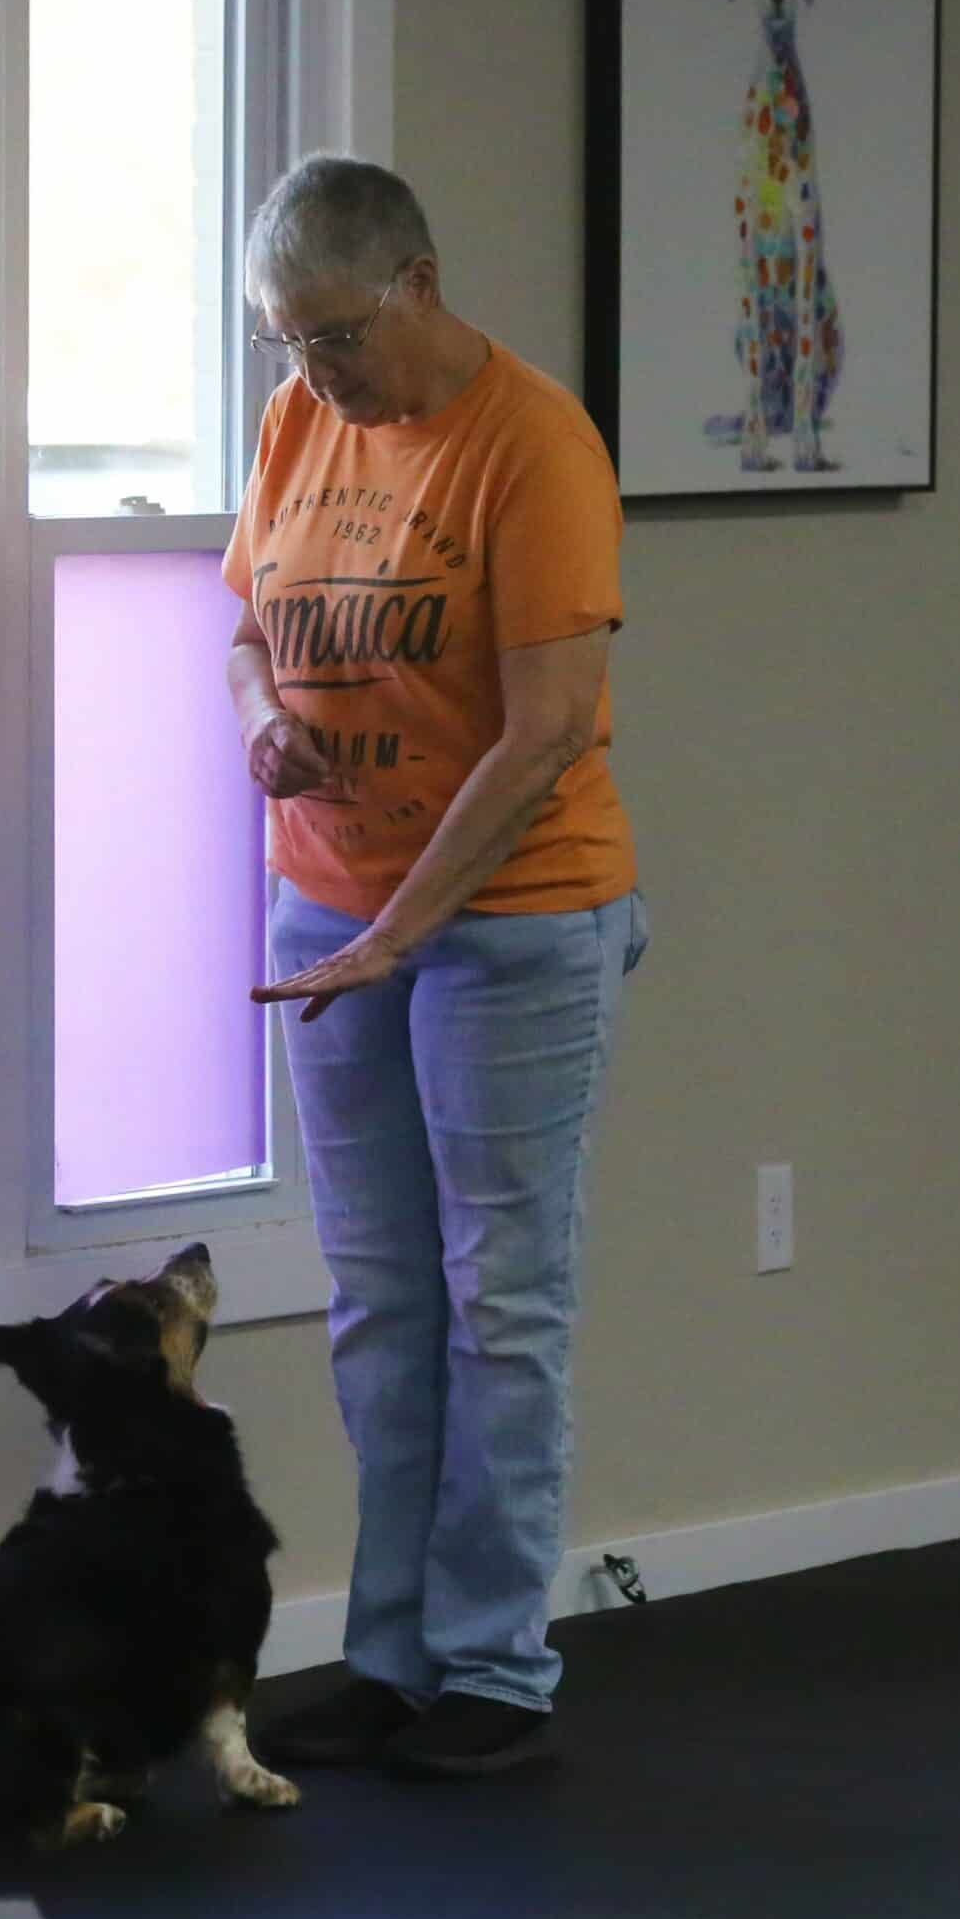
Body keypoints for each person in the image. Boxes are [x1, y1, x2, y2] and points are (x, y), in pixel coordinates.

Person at [223, 156, 646, 1779]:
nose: (314, 370)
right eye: (285, 340)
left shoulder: (532, 444)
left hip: (510, 925)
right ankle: (389, 1655)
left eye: (335, 334)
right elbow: (247, 627)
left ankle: (494, 1667)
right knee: (381, 1302)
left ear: (417, 283)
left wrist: (406, 926)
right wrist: (265, 718)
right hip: (331, 915)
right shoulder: (295, 425)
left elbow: (547, 732)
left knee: (500, 1304)